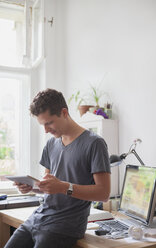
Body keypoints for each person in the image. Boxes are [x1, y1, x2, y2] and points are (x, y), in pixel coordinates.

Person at [5, 88, 111, 248]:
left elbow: (104, 193)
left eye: (49, 123)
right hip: (38, 218)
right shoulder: (51, 144)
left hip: (64, 227)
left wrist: (63, 187)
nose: (46, 130)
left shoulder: (94, 143)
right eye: (42, 125)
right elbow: (49, 187)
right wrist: (32, 187)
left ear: (64, 112)